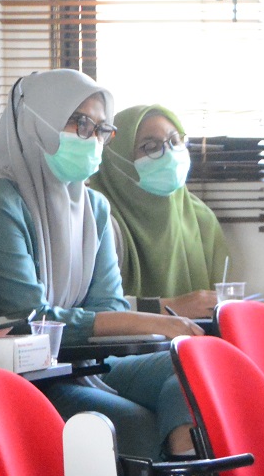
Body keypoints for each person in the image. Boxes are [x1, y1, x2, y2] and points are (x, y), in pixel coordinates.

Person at [0, 71, 204, 460]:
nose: (93, 138)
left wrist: (144, 323)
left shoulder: (94, 207)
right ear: (37, 121)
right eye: (80, 123)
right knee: (132, 423)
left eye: (101, 129)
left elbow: (108, 305)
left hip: (85, 365)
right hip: (22, 378)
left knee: (197, 367)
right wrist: (153, 321)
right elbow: (31, 320)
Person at [90, 104, 232, 319]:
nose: (169, 153)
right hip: (119, 339)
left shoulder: (201, 219)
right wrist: (167, 307)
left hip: (195, 337)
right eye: (150, 146)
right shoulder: (98, 220)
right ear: (118, 159)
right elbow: (87, 310)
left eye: (175, 141)